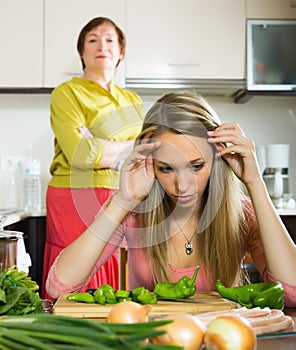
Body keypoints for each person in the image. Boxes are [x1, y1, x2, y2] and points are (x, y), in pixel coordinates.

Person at [46, 91, 296, 306]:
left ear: (218, 157)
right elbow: (59, 288)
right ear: (149, 162)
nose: (183, 185)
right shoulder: (134, 213)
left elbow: (292, 294)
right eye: (166, 169)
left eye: (196, 166)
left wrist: (255, 183)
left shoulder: (243, 215)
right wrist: (122, 200)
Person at [41, 17, 144, 299]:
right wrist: (130, 148)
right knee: (76, 266)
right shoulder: (67, 93)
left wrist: (100, 145)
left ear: (121, 52)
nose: (102, 46)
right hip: (74, 193)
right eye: (92, 39)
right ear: (82, 51)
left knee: (117, 270)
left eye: (110, 40)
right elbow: (78, 152)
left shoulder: (132, 99)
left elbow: (149, 149)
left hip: (124, 193)